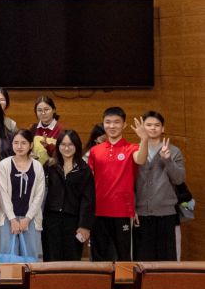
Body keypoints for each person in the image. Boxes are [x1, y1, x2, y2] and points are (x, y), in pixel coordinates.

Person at [87, 107, 145, 262]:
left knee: (123, 256)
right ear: (103, 124)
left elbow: (140, 159)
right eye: (108, 122)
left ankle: (123, 280)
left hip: (122, 212)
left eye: (116, 122)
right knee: (99, 256)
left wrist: (144, 139)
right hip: (98, 211)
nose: (112, 126)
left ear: (124, 125)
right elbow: (88, 181)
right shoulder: (95, 151)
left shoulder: (132, 148)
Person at [133, 111, 185, 261]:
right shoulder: (135, 151)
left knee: (166, 261)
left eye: (157, 125)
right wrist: (132, 208)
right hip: (141, 215)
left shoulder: (174, 151)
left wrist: (167, 160)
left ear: (163, 128)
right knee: (142, 261)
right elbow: (128, 183)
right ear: (142, 128)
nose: (153, 128)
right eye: (148, 125)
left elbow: (179, 179)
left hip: (166, 214)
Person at [42, 130, 95, 261]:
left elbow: (88, 200)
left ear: (76, 146)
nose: (66, 148)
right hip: (51, 220)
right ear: (58, 146)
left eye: (70, 144)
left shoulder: (84, 169)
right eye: (63, 144)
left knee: (72, 260)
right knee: (51, 258)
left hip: (73, 221)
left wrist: (84, 225)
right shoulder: (50, 166)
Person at [0, 130, 45, 261]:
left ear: (31, 145)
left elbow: (39, 196)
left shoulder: (37, 166)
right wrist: (12, 219)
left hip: (31, 219)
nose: (19, 146)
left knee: (30, 259)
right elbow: (2, 194)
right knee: (8, 258)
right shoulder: (4, 164)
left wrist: (27, 219)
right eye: (16, 142)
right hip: (7, 218)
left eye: (23, 143)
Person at [30, 96, 63, 163]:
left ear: (54, 110)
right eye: (39, 110)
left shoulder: (61, 130)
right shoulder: (33, 128)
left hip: (53, 168)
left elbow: (62, 154)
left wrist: (47, 146)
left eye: (46, 109)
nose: (43, 113)